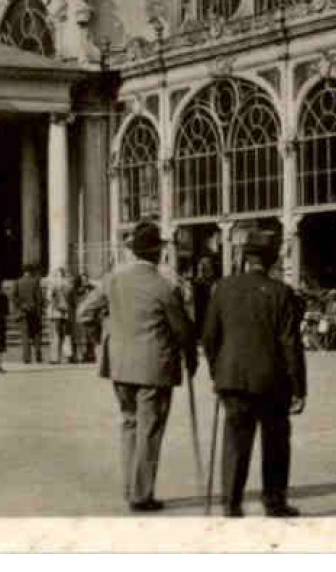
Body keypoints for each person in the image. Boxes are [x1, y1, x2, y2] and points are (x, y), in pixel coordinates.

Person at [76, 221, 197, 512]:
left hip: (120, 365)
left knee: (130, 424)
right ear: (157, 252)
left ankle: (130, 487)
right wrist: (190, 358)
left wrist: (103, 338)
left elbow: (83, 313)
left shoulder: (113, 279)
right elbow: (182, 330)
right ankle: (141, 494)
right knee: (150, 429)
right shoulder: (164, 286)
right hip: (154, 367)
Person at [202, 236, 307, 518]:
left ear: (246, 259)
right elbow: (290, 343)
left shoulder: (222, 289)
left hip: (232, 379)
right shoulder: (281, 292)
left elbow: (210, 337)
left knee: (235, 442)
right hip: (272, 381)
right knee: (275, 441)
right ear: (272, 261)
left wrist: (217, 372)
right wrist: (299, 387)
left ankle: (231, 503)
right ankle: (274, 502)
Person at [12, 263, 46, 364]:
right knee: (36, 334)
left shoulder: (17, 282)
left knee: (25, 335)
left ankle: (26, 358)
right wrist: (39, 309)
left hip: (22, 312)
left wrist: (22, 306)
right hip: (34, 312)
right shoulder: (35, 281)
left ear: (23, 271)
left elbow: (14, 297)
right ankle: (38, 355)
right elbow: (39, 298)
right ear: (32, 271)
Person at [44, 266, 76, 363]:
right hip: (67, 312)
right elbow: (73, 300)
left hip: (56, 312)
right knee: (67, 334)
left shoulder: (53, 285)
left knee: (56, 334)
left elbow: (48, 298)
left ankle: (55, 357)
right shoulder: (70, 285)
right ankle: (68, 355)